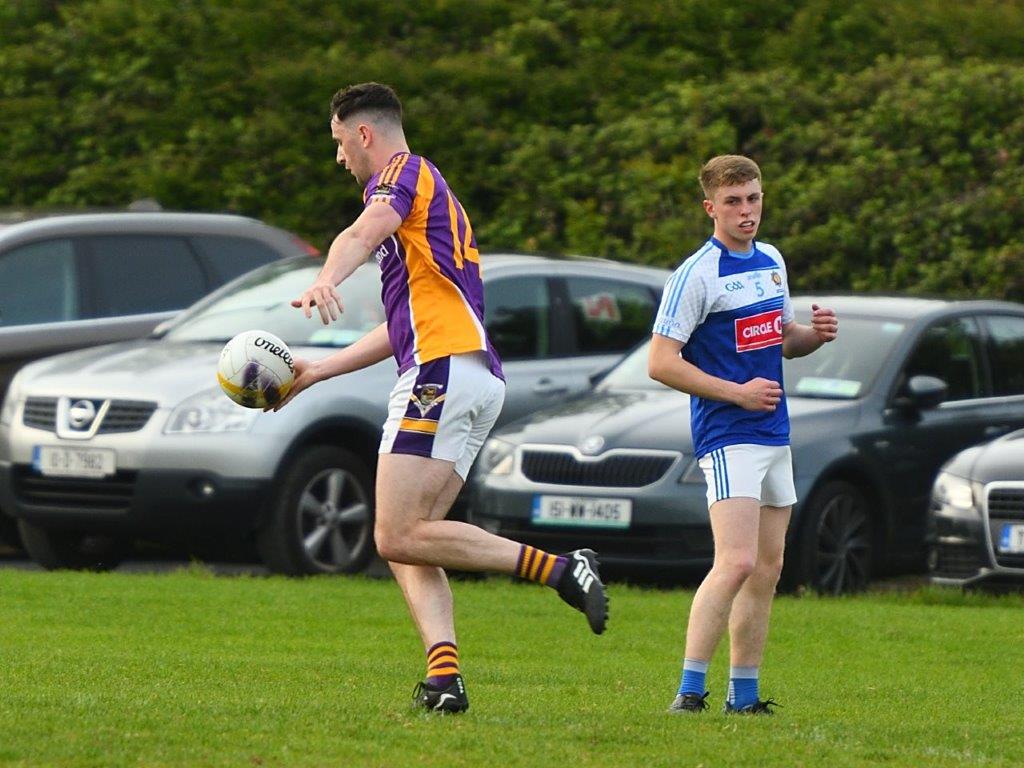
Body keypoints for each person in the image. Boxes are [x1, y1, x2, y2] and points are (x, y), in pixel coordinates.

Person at [272, 82, 608, 714]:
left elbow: (359, 232)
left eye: (341, 143)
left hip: (441, 375)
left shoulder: (402, 176)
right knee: (415, 535)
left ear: (364, 134)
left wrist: (325, 276)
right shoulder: (431, 196)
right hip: (469, 374)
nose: (341, 158)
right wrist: (319, 370)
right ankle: (445, 679)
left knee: (397, 533)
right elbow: (400, 327)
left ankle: (563, 570)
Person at [648, 155, 837, 715]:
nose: (746, 211)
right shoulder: (696, 273)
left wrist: (815, 337)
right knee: (734, 562)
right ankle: (688, 691)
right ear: (711, 207)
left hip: (774, 431)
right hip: (728, 432)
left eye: (753, 198)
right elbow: (661, 363)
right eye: (733, 202)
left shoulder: (772, 259)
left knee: (768, 566)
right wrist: (736, 393)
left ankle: (745, 696)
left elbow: (782, 340)